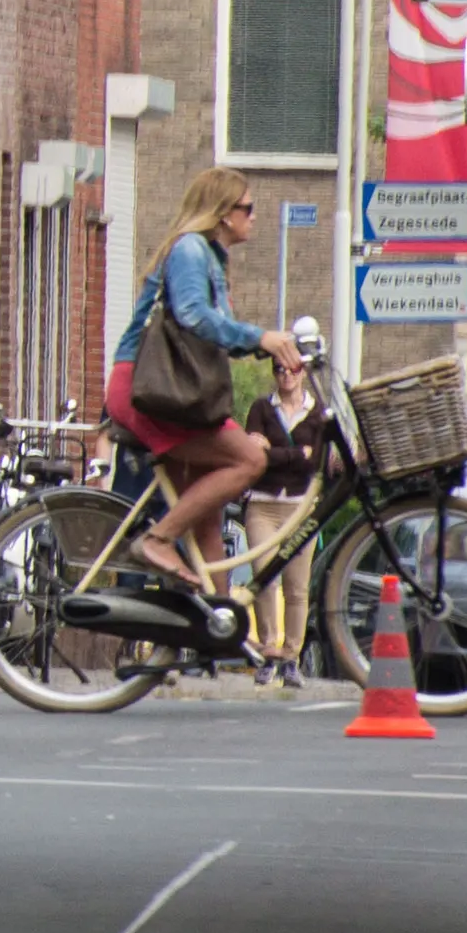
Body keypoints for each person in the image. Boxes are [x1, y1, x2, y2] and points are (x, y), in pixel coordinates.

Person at [105, 167, 306, 594]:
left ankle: (213, 629)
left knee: (207, 523)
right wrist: (260, 337)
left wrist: (267, 344)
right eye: (247, 208)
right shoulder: (191, 250)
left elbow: (217, 331)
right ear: (222, 213)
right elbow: (195, 316)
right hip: (152, 392)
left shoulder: (210, 256)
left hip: (173, 395)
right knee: (249, 461)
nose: (253, 217)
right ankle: (157, 539)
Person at [235, 316, 336, 683]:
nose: (285, 376)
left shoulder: (316, 413)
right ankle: (268, 651)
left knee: (296, 586)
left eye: (291, 370)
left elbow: (316, 460)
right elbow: (255, 457)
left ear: (301, 371)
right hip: (263, 504)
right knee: (264, 575)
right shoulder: (262, 409)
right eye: (278, 370)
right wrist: (294, 455)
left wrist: (277, 453)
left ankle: (291, 656)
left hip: (299, 506)